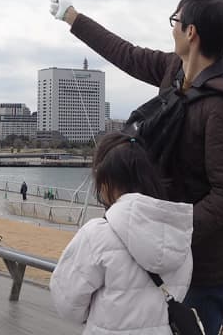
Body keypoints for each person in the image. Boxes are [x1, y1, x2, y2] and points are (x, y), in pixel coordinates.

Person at [50, 0, 223, 335]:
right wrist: (73, 17)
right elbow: (126, 54)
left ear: (191, 33)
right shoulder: (175, 70)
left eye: (175, 20)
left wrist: (173, 229)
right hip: (156, 252)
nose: (171, 27)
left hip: (200, 264)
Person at [50, 132, 193, 334]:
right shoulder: (179, 231)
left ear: (106, 180)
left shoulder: (97, 234)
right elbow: (180, 290)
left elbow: (67, 302)